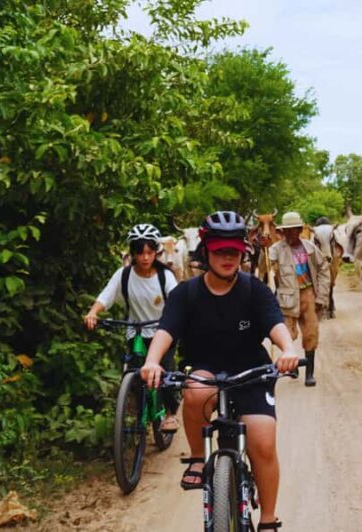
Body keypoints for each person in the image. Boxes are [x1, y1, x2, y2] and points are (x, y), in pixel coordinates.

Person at [140, 211, 298, 531]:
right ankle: (198, 457)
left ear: (243, 252)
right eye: (219, 251)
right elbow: (166, 330)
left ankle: (268, 519)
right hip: (205, 368)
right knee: (196, 391)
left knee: (263, 442)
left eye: (233, 251)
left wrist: (289, 350)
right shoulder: (186, 294)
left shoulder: (254, 290)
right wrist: (152, 360)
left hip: (251, 372)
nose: (227, 258)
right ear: (205, 252)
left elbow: (275, 324)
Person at [84, 223, 180, 432]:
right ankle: (136, 406)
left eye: (149, 252)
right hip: (134, 331)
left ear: (156, 252)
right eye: (140, 252)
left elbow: (177, 302)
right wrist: (93, 313)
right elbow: (106, 296)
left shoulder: (166, 277)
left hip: (162, 332)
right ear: (133, 253)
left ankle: (171, 413)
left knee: (165, 374)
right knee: (135, 372)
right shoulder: (124, 275)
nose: (145, 257)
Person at [269, 211, 331, 387]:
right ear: (282, 232)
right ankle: (293, 364)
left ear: (299, 230)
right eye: (286, 231)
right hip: (287, 297)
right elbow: (267, 267)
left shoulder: (310, 249)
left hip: (308, 295)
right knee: (286, 334)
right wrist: (264, 249)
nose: (290, 234)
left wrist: (322, 296)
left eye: (293, 230)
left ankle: (309, 373)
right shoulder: (275, 250)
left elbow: (324, 269)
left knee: (311, 333)